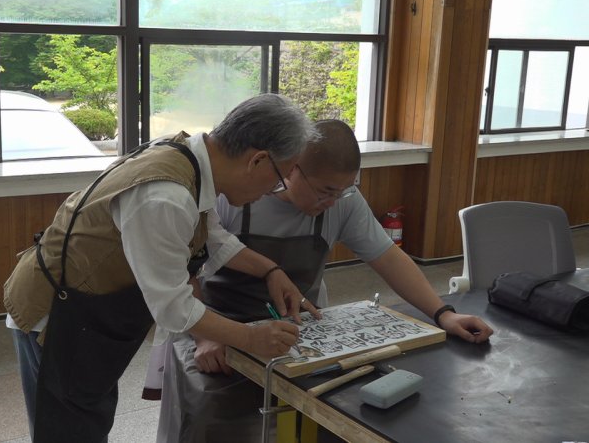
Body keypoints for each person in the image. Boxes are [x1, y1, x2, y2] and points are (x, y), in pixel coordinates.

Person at [3, 93, 319, 442]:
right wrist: (250, 338)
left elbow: (210, 234)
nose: (273, 191)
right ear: (257, 160)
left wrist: (270, 270)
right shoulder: (165, 195)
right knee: (69, 428)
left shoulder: (191, 158)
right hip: (56, 315)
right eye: (279, 178)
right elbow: (172, 307)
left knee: (89, 413)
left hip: (86, 311)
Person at [156, 119, 495, 443]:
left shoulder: (342, 201)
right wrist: (205, 337)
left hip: (297, 328)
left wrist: (443, 313)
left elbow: (389, 258)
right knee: (212, 415)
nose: (332, 202)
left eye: (344, 192)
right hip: (215, 326)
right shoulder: (236, 195)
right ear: (292, 169)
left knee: (340, 408)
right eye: (325, 191)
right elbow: (183, 272)